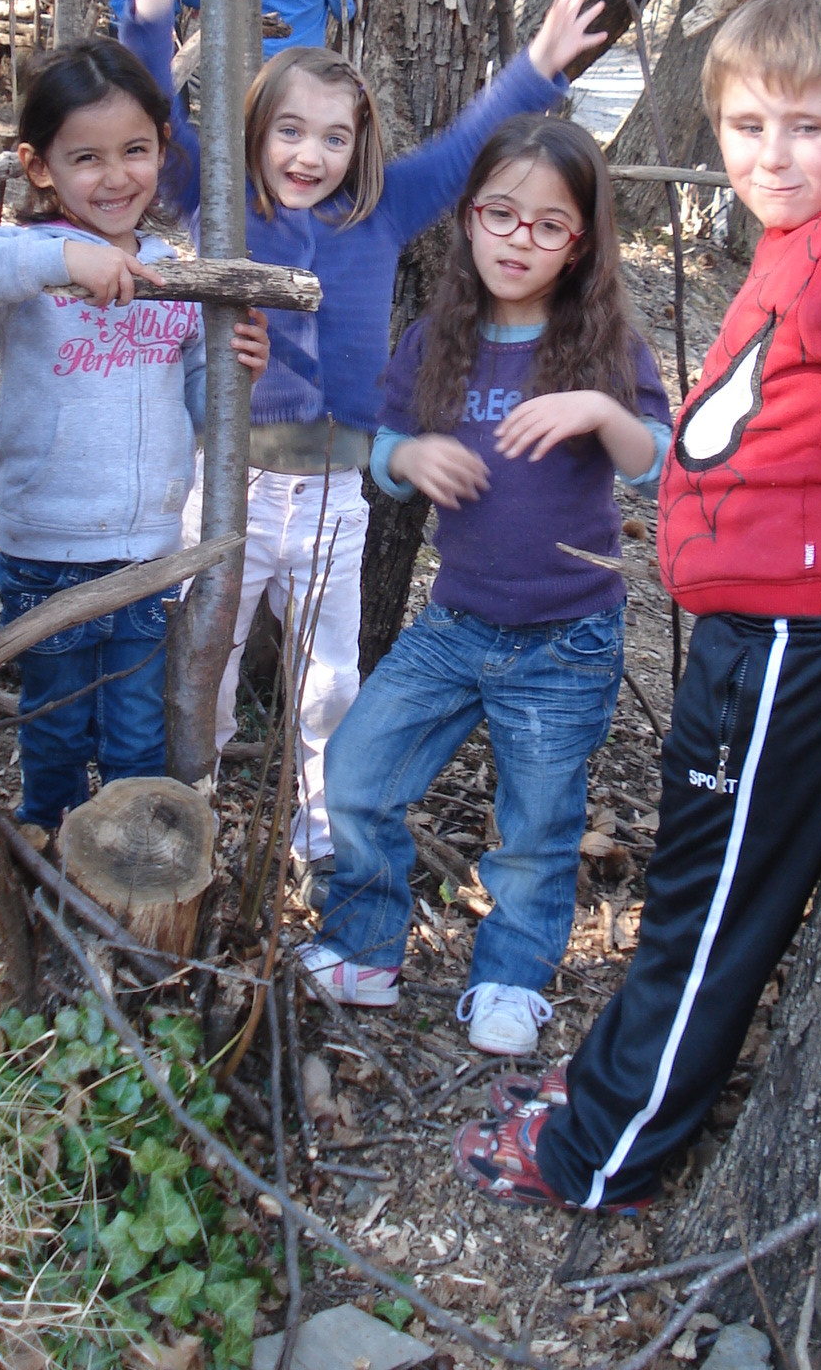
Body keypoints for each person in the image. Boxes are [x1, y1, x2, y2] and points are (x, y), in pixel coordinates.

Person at [450, 0, 821, 1209]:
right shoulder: (799, 238)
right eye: (747, 126)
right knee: (692, 880)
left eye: (807, 126)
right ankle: (612, 1085)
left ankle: (599, 1154)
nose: (772, 155)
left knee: (711, 906)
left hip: (789, 639)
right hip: (749, 632)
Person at [121, 0, 607, 906]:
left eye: (335, 136)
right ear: (257, 132)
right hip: (231, 484)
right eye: (291, 131)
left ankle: (320, 827)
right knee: (202, 658)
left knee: (329, 677)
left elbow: (468, 147)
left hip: (339, 493)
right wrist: (146, 10)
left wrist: (541, 65)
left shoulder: (377, 211)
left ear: (361, 144)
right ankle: (193, 803)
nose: (312, 154)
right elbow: (156, 129)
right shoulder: (222, 207)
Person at [296, 115, 672, 1059]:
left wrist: (598, 408)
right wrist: (411, 455)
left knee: (538, 825)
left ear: (582, 241)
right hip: (455, 622)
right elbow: (377, 447)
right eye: (502, 214)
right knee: (357, 772)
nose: (520, 239)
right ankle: (366, 945)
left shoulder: (607, 344)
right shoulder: (438, 339)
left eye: (551, 226)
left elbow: (658, 463)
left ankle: (511, 975)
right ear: (468, 220)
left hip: (566, 636)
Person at [0, 38, 268, 830]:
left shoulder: (175, 269)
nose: (114, 176)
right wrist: (69, 256)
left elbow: (199, 403)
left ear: (164, 149)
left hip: (146, 547)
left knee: (136, 734)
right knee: (56, 727)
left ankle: (127, 867)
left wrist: (237, 373)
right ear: (40, 168)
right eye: (85, 157)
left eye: (135, 150)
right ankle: (48, 850)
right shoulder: (27, 258)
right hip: (47, 549)